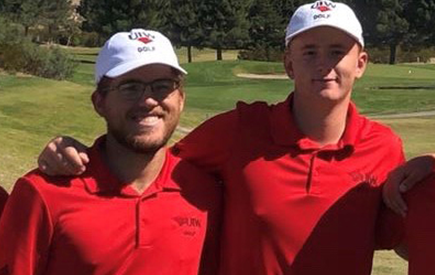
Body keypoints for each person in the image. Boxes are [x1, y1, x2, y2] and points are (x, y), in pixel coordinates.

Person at [36, 1, 419, 274]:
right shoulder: (239, 130)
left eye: (338, 51)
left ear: (361, 63)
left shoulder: (383, 148)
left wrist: (427, 168)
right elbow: (149, 164)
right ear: (288, 63)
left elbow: (400, 238)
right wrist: (75, 153)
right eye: (309, 51)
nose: (324, 63)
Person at [0, 29, 221, 275]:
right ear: (100, 102)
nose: (148, 100)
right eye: (130, 87)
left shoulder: (204, 193)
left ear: (180, 99)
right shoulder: (43, 194)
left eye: (162, 86)